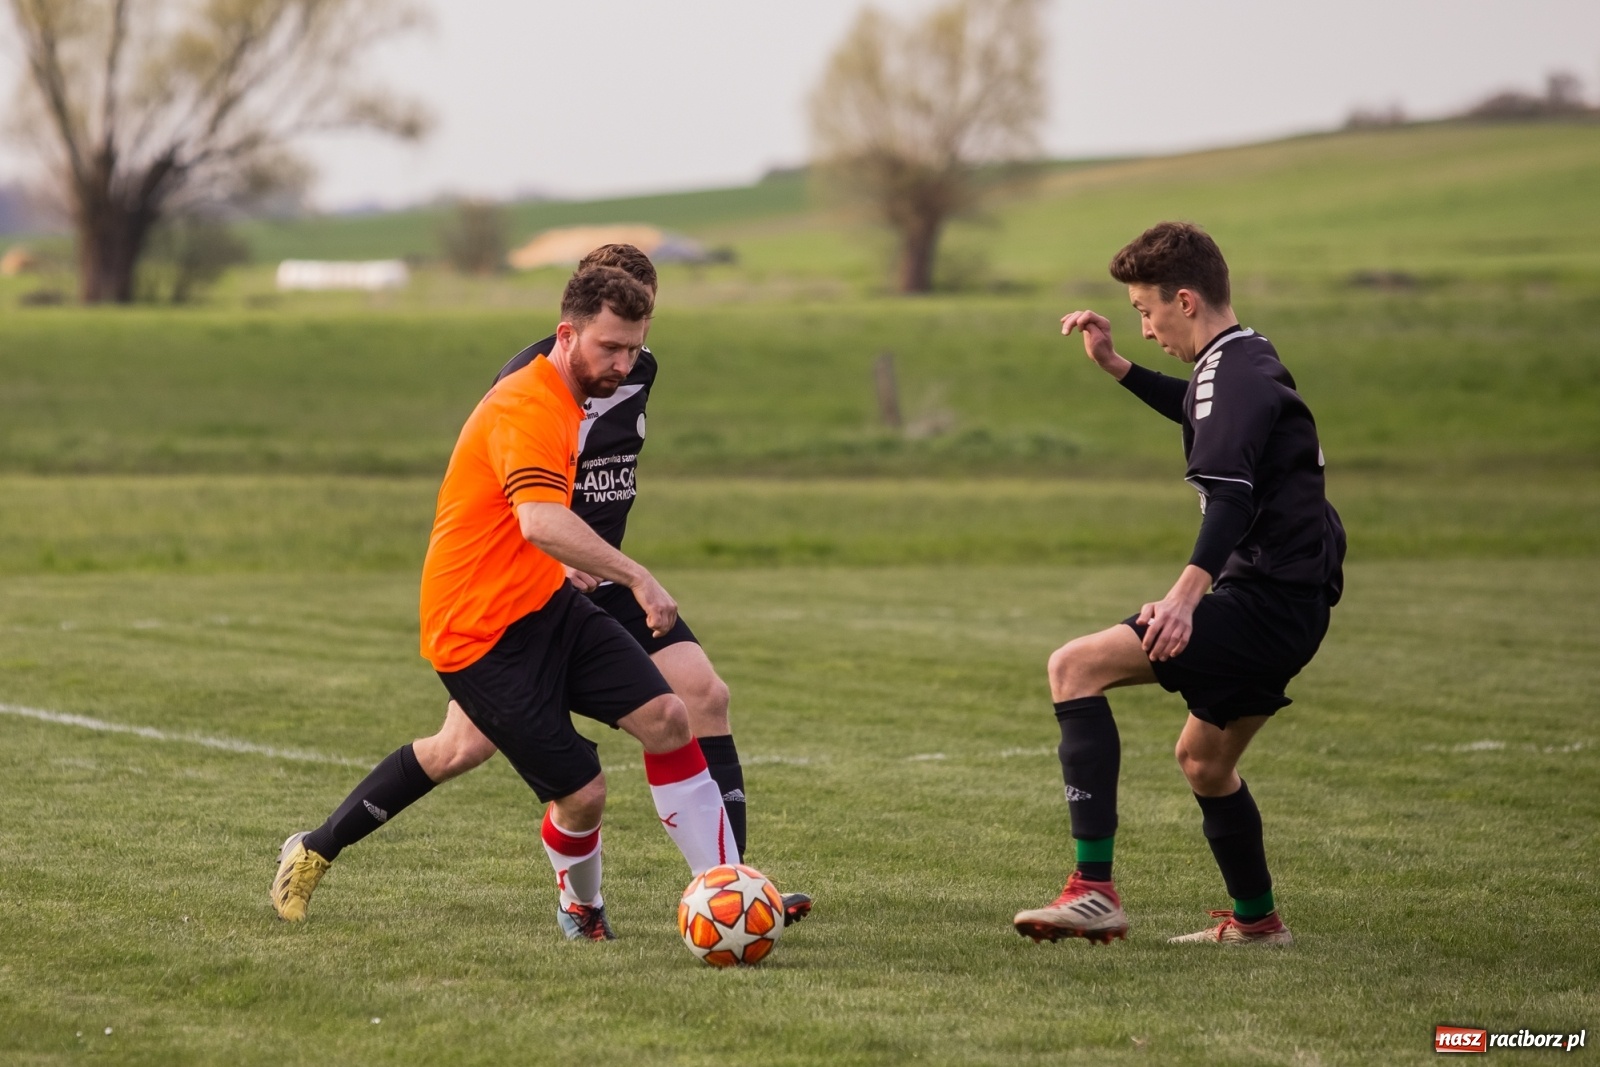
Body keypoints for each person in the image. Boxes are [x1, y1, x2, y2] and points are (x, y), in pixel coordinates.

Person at [273, 266, 738, 941]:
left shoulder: (576, 396)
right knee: (580, 792)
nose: (623, 365)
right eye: (610, 348)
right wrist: (637, 577)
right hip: (479, 634)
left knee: (670, 715)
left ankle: (725, 891)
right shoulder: (528, 402)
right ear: (566, 335)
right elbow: (539, 519)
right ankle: (576, 905)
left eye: (634, 349)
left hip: (544, 603)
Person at [1012, 222, 1345, 947]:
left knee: (1074, 667)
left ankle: (1093, 892)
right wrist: (1118, 366)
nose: (1144, 325)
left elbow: (1229, 494)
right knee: (1204, 762)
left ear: (1184, 301)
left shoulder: (1231, 374)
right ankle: (1258, 922)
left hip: (1264, 604)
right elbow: (1201, 406)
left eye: (1145, 309)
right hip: (1293, 603)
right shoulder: (1244, 357)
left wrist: (1185, 598)